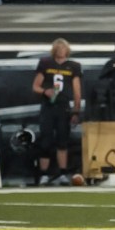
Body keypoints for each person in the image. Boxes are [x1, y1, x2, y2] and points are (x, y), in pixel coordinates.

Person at [32, 38, 82, 185]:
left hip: (63, 106)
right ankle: (44, 174)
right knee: (46, 140)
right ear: (54, 50)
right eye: (58, 48)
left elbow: (77, 90)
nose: (61, 51)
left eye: (63, 48)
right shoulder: (46, 63)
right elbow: (35, 86)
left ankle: (62, 173)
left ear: (67, 50)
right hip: (48, 106)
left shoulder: (73, 66)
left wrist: (76, 111)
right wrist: (45, 91)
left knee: (62, 140)